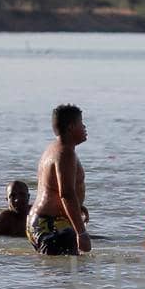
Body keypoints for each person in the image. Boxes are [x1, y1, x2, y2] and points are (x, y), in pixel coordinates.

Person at [30, 104, 91, 255]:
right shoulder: (64, 153)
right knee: (70, 275)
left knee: (63, 274)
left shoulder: (55, 149)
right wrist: (81, 233)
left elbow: (54, 189)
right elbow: (66, 194)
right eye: (80, 123)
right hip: (51, 225)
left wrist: (77, 207)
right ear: (71, 127)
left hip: (43, 223)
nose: (84, 127)